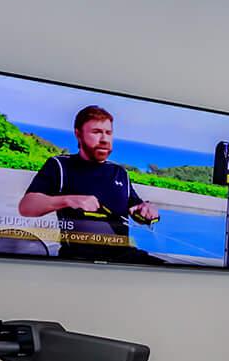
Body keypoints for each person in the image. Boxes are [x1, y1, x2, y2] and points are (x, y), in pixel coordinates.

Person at [17, 105, 160, 263]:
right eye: (96, 132)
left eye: (108, 133)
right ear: (78, 134)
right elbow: (26, 207)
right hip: (78, 261)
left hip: (124, 259)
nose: (104, 139)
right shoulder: (59, 166)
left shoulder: (119, 172)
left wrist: (146, 209)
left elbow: (136, 209)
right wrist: (68, 200)